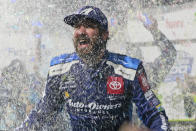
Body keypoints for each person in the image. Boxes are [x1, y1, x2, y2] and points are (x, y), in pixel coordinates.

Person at [17, 6, 170, 131]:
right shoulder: (60, 68)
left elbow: (155, 114)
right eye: (77, 26)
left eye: (89, 26)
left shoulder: (129, 68)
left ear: (104, 35)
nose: (81, 31)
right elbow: (42, 113)